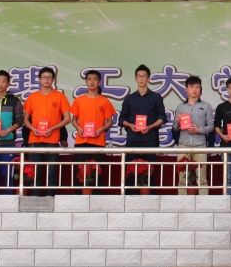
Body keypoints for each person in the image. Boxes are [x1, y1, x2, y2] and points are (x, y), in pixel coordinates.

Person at [21, 67, 71, 196]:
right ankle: (35, 197)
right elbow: (25, 120)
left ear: (53, 79)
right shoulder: (32, 97)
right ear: (39, 79)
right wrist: (33, 129)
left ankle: (50, 197)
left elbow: (67, 119)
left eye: (49, 77)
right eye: (44, 77)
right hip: (34, 139)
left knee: (51, 172)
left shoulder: (60, 96)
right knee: (35, 172)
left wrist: (52, 128)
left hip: (52, 140)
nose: (46, 80)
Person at [118, 65, 166, 195]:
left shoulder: (156, 97)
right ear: (135, 78)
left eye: (144, 76)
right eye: (139, 76)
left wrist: (150, 126)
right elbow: (121, 119)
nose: (141, 79)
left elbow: (162, 118)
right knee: (130, 172)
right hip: (133, 141)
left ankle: (150, 202)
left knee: (150, 172)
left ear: (148, 79)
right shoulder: (129, 98)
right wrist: (130, 125)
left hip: (150, 141)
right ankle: (130, 201)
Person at [71, 70, 116, 195]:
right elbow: (73, 120)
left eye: (95, 79)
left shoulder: (104, 101)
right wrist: (78, 128)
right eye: (89, 79)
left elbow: (109, 122)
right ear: (86, 81)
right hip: (81, 141)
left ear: (99, 81)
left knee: (98, 170)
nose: (92, 82)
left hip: (98, 142)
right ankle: (78, 198)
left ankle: (98, 197)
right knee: (79, 170)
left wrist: (101, 129)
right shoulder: (79, 100)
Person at [172, 75, 215, 196]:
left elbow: (211, 126)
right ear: (186, 89)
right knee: (182, 178)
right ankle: (182, 203)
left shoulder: (206, 106)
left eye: (197, 87)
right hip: (183, 146)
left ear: (200, 89)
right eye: (191, 87)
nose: (194, 90)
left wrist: (198, 130)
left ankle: (204, 204)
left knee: (202, 179)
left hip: (200, 146)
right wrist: (179, 123)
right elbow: (174, 127)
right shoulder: (180, 107)